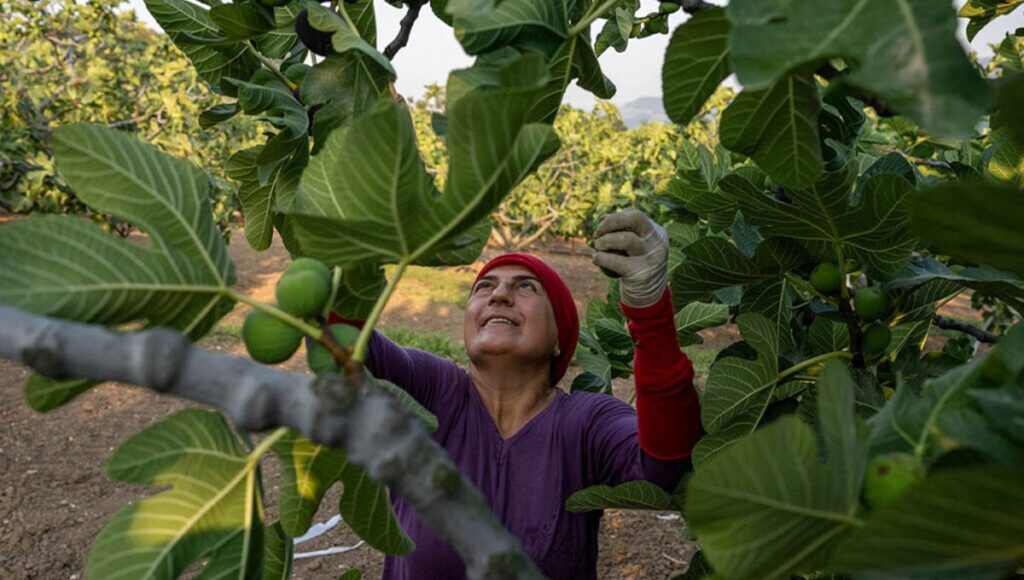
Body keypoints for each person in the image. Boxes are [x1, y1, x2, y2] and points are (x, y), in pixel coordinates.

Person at [330, 210, 702, 579]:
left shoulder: (585, 423)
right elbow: (341, 340)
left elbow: (664, 465)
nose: (500, 294)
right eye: (484, 286)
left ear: (560, 339)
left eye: (526, 286)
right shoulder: (434, 389)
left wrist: (650, 311)